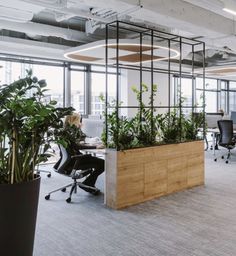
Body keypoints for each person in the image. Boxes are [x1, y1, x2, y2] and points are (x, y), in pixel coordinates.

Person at [55, 113, 104, 194]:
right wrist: (96, 147)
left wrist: (78, 129)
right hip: (74, 160)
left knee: (95, 160)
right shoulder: (69, 132)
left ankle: (88, 182)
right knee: (103, 163)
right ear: (73, 121)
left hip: (69, 160)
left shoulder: (65, 130)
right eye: (78, 120)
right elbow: (78, 147)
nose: (80, 122)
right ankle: (87, 183)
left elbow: (78, 141)